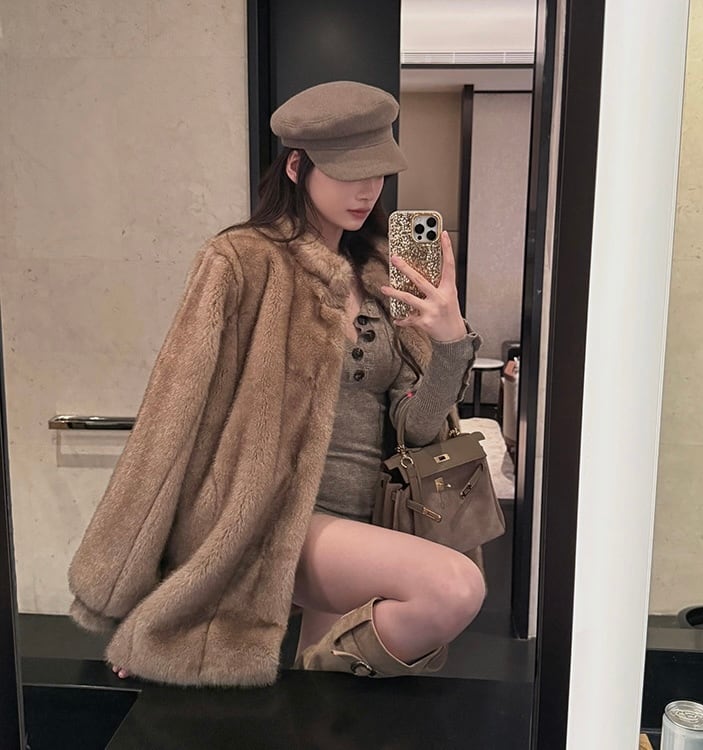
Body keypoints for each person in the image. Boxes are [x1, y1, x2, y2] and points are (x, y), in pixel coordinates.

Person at [68, 81, 486, 687]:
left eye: (376, 172)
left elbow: (417, 429)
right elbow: (173, 416)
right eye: (346, 172)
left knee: (326, 715)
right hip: (277, 519)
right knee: (453, 588)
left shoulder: (383, 275)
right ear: (296, 166)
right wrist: (135, 590)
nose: (366, 190)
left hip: (369, 521)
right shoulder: (242, 261)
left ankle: (308, 681)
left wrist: (449, 342)